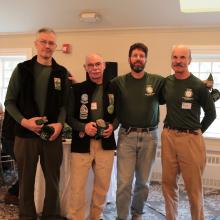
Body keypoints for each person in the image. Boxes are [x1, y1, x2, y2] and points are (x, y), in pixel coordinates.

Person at [4, 27, 69, 220]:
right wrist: (25, 122)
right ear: (36, 44)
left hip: (52, 135)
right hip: (24, 136)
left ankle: (51, 215)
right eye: (43, 41)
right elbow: (9, 102)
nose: (47, 46)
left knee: (53, 180)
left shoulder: (61, 72)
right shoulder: (21, 70)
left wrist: (60, 124)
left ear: (55, 47)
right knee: (25, 180)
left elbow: (66, 104)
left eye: (51, 43)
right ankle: (27, 215)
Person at [161, 45, 216, 220]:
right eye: (175, 57)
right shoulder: (167, 83)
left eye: (183, 57)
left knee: (193, 188)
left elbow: (211, 113)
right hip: (168, 137)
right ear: (171, 60)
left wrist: (197, 131)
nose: (178, 61)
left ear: (189, 60)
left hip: (191, 139)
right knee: (168, 184)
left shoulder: (198, 86)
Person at [110, 42, 164, 220]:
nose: (138, 59)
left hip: (150, 137)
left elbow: (175, 91)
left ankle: (137, 213)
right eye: (135, 55)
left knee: (143, 183)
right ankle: (122, 216)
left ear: (146, 59)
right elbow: (101, 91)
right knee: (124, 183)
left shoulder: (157, 81)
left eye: (141, 56)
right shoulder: (119, 82)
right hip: (127, 136)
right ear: (129, 59)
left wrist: (201, 85)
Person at [67, 53, 117, 220]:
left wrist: (113, 126)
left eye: (98, 64)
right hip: (82, 143)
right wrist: (83, 126)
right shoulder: (77, 89)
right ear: (85, 68)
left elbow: (119, 115)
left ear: (104, 66)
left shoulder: (114, 88)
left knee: (102, 186)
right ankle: (76, 217)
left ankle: (97, 216)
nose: (95, 68)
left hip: (106, 144)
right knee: (77, 186)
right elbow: (69, 117)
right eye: (91, 65)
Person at [1, 110, 19, 205]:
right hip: (11, 139)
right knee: (28, 168)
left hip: (11, 138)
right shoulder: (17, 99)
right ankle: (12, 194)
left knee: (28, 167)